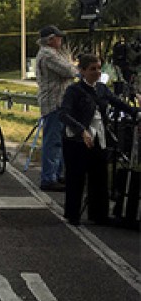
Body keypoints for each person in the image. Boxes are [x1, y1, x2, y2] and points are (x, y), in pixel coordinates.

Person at [60, 53, 140, 225]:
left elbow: (117, 103)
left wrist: (135, 111)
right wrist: (81, 131)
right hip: (76, 140)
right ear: (82, 71)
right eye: (92, 69)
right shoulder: (74, 91)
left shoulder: (102, 89)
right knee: (77, 177)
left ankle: (99, 214)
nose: (96, 72)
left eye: (98, 69)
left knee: (99, 176)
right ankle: (72, 214)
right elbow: (64, 114)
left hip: (98, 138)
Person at [36, 25, 78, 191]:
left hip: (58, 101)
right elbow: (69, 71)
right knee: (53, 142)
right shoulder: (48, 54)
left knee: (59, 140)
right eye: (58, 37)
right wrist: (75, 67)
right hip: (54, 102)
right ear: (51, 39)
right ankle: (49, 177)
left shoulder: (50, 53)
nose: (61, 40)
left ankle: (57, 174)